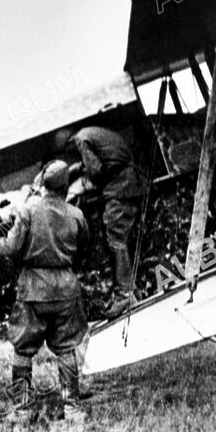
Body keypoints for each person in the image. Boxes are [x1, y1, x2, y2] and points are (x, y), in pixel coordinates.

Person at [0, 160, 90, 423]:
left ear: (43, 184)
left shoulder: (27, 211)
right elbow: (85, 250)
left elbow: (9, 249)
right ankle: (72, 408)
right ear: (64, 185)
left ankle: (23, 410)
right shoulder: (76, 215)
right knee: (66, 349)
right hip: (65, 288)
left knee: (22, 351)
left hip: (32, 288)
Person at [56, 126, 144, 319]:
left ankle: (125, 295)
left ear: (68, 144)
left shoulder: (81, 140)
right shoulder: (91, 132)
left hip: (121, 187)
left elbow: (96, 170)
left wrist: (84, 179)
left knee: (115, 240)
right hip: (130, 181)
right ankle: (132, 291)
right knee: (119, 239)